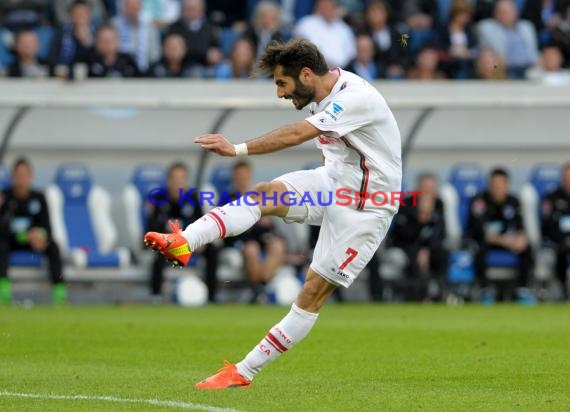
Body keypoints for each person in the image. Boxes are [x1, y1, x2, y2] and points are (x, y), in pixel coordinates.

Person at [144, 38, 402, 388]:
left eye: (282, 83)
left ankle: (243, 371)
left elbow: (297, 134)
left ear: (307, 74)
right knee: (263, 195)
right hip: (334, 182)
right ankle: (184, 241)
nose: (280, 94)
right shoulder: (319, 92)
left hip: (366, 207)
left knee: (311, 293)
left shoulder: (355, 97)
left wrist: (236, 149)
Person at [146, 162, 219, 302]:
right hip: (168, 243)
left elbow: (202, 224)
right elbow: (153, 228)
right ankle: (156, 295)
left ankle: (212, 295)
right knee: (159, 253)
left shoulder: (192, 198)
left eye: (182, 178)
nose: (178, 182)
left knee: (212, 250)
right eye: (175, 178)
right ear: (169, 180)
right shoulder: (159, 199)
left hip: (190, 243)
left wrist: (200, 241)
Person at [0, 158, 66, 304]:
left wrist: (40, 236)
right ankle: (3, 293)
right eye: (18, 175)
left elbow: (47, 227)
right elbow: (2, 229)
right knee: (1, 246)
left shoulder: (39, 197)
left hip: (34, 242)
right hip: (12, 241)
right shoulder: (4, 197)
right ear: (12, 177)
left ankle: (60, 293)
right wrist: (23, 236)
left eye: (24, 175)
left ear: (31, 176)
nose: (21, 179)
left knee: (53, 246)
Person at [222, 161, 287, 302]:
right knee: (252, 249)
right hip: (241, 239)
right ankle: (257, 288)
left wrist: (266, 220)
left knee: (277, 245)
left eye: (245, 175)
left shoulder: (259, 196)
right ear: (233, 177)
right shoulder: (227, 198)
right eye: (239, 175)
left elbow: (270, 225)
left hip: (261, 236)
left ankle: (262, 286)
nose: (242, 178)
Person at [465, 168, 533, 301]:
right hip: (487, 242)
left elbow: (520, 227)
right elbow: (480, 232)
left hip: (508, 243)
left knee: (527, 248)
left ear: (507, 185)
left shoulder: (513, 202)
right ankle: (484, 289)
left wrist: (521, 239)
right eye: (494, 185)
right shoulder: (479, 202)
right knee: (479, 249)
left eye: (500, 185)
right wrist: (506, 241)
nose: (497, 188)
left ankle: (522, 289)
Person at [389, 173, 447, 301]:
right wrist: (421, 218)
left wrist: (426, 248)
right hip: (405, 245)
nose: (428, 195)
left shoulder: (439, 204)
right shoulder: (406, 204)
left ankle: (440, 291)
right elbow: (403, 235)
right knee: (414, 255)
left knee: (442, 253)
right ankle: (417, 294)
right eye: (425, 191)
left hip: (429, 246)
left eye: (431, 191)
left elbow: (441, 232)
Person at [477, 0, 539, 79]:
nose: (504, 14)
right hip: (505, 68)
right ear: (495, 14)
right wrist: (498, 61)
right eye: (501, 11)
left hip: (530, 68)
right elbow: (487, 51)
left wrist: (538, 60)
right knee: (491, 64)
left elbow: (534, 52)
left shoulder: (527, 27)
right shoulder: (487, 27)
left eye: (508, 11)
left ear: (516, 12)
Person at [294, 0, 356, 68]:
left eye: (331, 4)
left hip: (343, 71)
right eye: (325, 4)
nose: (328, 7)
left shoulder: (344, 28)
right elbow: (301, 50)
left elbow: (351, 54)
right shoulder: (305, 24)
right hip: (315, 69)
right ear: (317, 6)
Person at [540, 163, 570, 300]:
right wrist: (564, 239)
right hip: (558, 242)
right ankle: (563, 291)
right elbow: (547, 226)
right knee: (561, 250)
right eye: (567, 178)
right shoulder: (551, 199)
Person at [111, 0, 161, 72]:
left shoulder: (150, 27)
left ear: (140, 7)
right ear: (124, 7)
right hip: (120, 69)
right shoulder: (114, 25)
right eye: (130, 7)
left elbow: (155, 54)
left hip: (145, 71)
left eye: (135, 6)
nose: (133, 10)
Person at [48, 0, 95, 73]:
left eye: (83, 14)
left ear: (89, 16)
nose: (80, 17)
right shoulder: (62, 32)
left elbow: (96, 61)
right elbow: (53, 56)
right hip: (62, 73)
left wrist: (86, 43)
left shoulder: (95, 33)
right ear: (70, 15)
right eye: (77, 13)